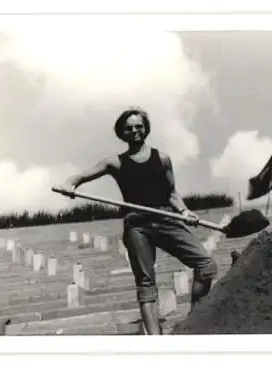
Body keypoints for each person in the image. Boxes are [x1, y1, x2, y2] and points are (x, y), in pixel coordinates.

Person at [58, 106, 218, 335]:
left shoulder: (162, 158)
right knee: (146, 284)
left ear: (146, 129)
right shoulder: (115, 162)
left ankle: (194, 323)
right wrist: (69, 184)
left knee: (206, 265)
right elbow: (80, 176)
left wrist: (184, 211)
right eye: (129, 128)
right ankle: (155, 342)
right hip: (137, 225)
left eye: (139, 126)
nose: (135, 131)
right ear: (121, 133)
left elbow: (172, 193)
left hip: (166, 217)